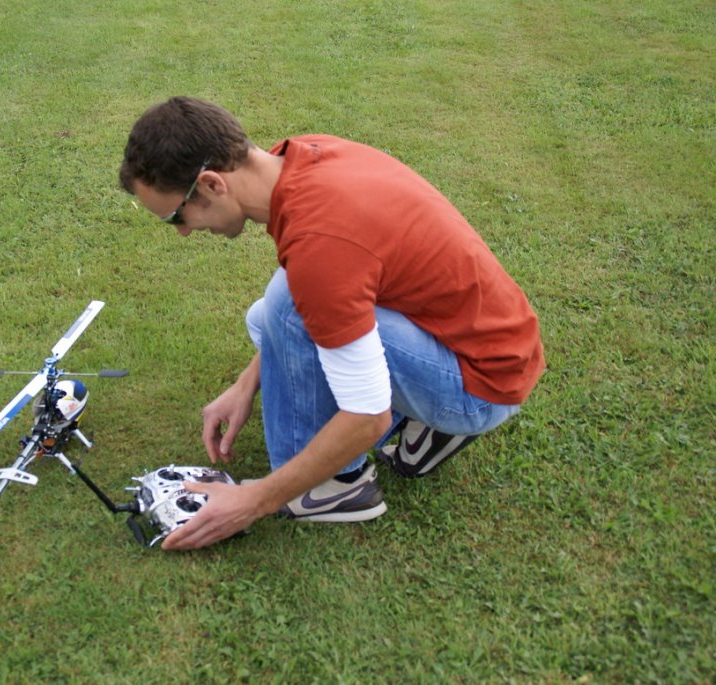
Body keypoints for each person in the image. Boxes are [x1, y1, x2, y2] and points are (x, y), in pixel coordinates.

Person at [119, 97, 545, 551]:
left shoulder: (320, 244)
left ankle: (334, 488)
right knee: (269, 314)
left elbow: (368, 416)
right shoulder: (302, 158)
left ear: (211, 184)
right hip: (488, 348)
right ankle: (427, 425)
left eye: (177, 216)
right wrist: (246, 383)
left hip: (479, 387)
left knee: (286, 307)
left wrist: (254, 501)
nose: (183, 231)